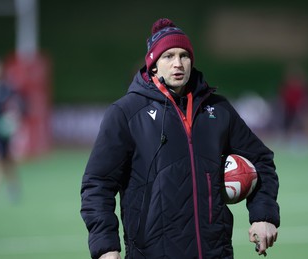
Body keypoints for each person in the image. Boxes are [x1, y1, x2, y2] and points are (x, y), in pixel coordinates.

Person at [80, 18, 280, 259]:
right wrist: (106, 248)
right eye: (168, 56)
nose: (178, 63)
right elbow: (98, 184)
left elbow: (261, 160)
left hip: (215, 253)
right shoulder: (126, 113)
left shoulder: (218, 110)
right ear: (153, 64)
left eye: (184, 55)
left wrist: (263, 216)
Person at [0, 58, 23, 202]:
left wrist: (12, 119)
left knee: (6, 162)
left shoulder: (6, 89)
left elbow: (17, 106)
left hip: (2, 133)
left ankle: (12, 188)